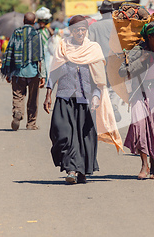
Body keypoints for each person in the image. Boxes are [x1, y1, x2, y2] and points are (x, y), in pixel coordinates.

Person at [43, 15, 122, 184]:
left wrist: (96, 97)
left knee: (83, 137)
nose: (80, 32)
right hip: (64, 97)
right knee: (61, 133)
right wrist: (48, 94)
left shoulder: (93, 49)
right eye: (76, 29)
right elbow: (54, 71)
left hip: (86, 100)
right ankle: (72, 166)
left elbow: (100, 80)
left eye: (83, 29)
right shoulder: (63, 47)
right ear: (70, 31)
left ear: (87, 30)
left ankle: (76, 170)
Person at [119, 17, 154, 179]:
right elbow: (123, 71)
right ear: (149, 38)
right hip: (139, 93)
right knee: (139, 127)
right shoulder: (137, 50)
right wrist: (142, 60)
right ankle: (144, 165)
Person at [1, 12, 46, 131]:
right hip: (34, 71)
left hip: (17, 71)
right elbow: (41, 56)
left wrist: (8, 72)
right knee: (33, 99)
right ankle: (31, 124)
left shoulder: (16, 33)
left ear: (23, 21)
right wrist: (43, 75)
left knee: (18, 96)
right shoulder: (37, 34)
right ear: (34, 21)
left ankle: (17, 111)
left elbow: (9, 52)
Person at [88, 0, 122, 122]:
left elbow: (90, 44)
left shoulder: (94, 27)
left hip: (100, 61)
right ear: (112, 12)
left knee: (101, 85)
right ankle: (114, 106)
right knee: (114, 86)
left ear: (101, 12)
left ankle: (102, 109)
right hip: (116, 60)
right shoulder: (118, 25)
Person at [36, 7, 54, 78]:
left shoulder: (47, 30)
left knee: (47, 65)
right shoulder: (37, 30)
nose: (42, 24)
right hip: (39, 50)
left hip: (47, 49)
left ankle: (47, 80)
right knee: (41, 65)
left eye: (43, 22)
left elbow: (52, 33)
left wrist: (48, 26)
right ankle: (42, 78)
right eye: (40, 22)